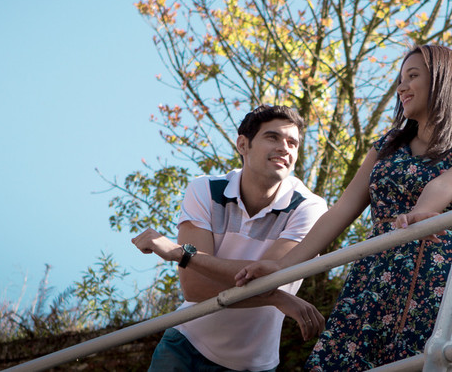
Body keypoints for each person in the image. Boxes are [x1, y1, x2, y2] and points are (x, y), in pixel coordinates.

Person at [234, 45, 452, 371]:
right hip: (373, 281)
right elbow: (340, 211)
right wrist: (282, 268)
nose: (402, 87)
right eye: (400, 79)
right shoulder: (387, 147)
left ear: (443, 81)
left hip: (437, 285)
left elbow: (443, 185)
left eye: (413, 76)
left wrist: (420, 213)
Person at [132, 105, 328, 372]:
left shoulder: (309, 207)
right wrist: (276, 298)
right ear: (242, 144)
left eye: (292, 142)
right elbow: (195, 288)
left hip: (254, 364)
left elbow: (269, 278)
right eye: (273, 137)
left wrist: (183, 254)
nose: (285, 148)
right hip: (185, 345)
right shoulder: (205, 190)